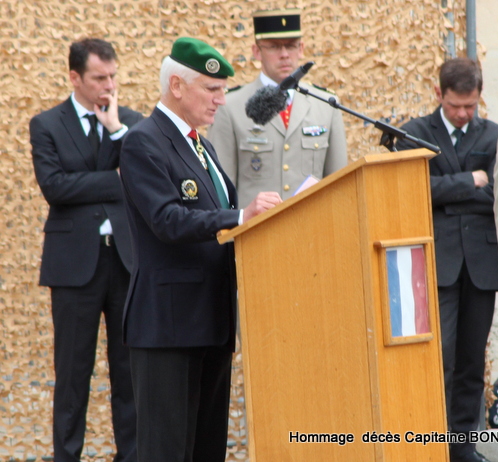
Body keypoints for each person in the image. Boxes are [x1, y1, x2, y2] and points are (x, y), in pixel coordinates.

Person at [119, 37, 280, 462]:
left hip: (210, 318)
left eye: (223, 89)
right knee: (167, 451)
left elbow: (221, 218)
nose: (222, 100)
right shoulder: (143, 142)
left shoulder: (201, 146)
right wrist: (240, 217)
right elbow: (168, 221)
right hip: (168, 326)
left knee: (207, 449)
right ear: (176, 86)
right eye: (212, 89)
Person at [30, 38, 143, 462]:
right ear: (75, 77)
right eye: (99, 78)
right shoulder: (47, 124)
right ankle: (67, 456)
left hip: (127, 263)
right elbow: (54, 187)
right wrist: (115, 180)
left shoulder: (130, 123)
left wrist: (116, 131)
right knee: (73, 376)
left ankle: (130, 456)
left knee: (130, 373)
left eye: (113, 76)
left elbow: (145, 176)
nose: (108, 86)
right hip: (74, 267)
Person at [395, 57, 498, 462]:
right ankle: (429, 439)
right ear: (439, 94)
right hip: (434, 261)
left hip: (480, 263)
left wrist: (447, 190)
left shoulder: (495, 136)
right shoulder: (413, 134)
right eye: (456, 105)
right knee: (435, 356)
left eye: (470, 106)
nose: (463, 114)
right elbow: (412, 189)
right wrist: (469, 181)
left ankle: (461, 443)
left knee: (470, 359)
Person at [208, 8, 347, 205]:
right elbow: (221, 190)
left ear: (301, 49)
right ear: (257, 51)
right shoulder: (231, 107)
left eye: (290, 46)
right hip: (257, 231)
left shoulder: (326, 105)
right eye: (274, 46)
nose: (284, 55)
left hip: (312, 228)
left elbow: (338, 183)